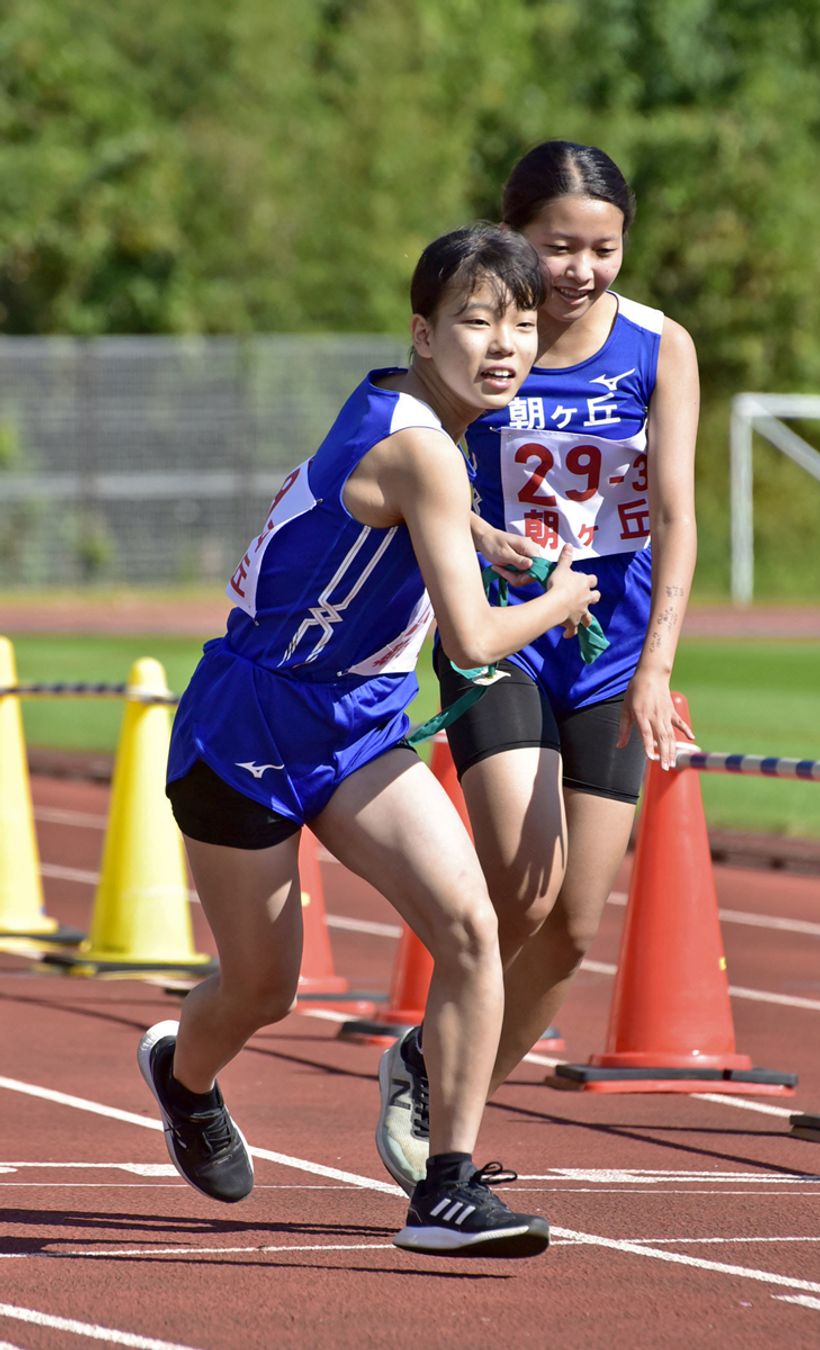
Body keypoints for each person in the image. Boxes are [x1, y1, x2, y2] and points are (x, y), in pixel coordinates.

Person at [136, 222, 598, 1259]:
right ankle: (184, 1075)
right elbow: (476, 642)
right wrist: (563, 594)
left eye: (522, 323)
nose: (505, 345)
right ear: (424, 333)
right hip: (246, 728)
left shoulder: (409, 408)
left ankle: (448, 1186)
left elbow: (382, 499)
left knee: (473, 930)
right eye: (477, 322)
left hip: (357, 727)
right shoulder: (426, 448)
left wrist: (478, 536)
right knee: (262, 990)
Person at [376, 140, 699, 1193]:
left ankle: (436, 1076)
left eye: (604, 249)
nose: (582, 271)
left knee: (570, 931)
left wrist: (656, 671)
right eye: (560, 247)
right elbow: (407, 463)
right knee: (522, 885)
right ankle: (448, 1132)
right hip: (500, 633)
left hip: (608, 646)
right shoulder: (481, 342)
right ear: (518, 235)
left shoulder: (658, 346)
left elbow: (681, 518)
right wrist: (475, 533)